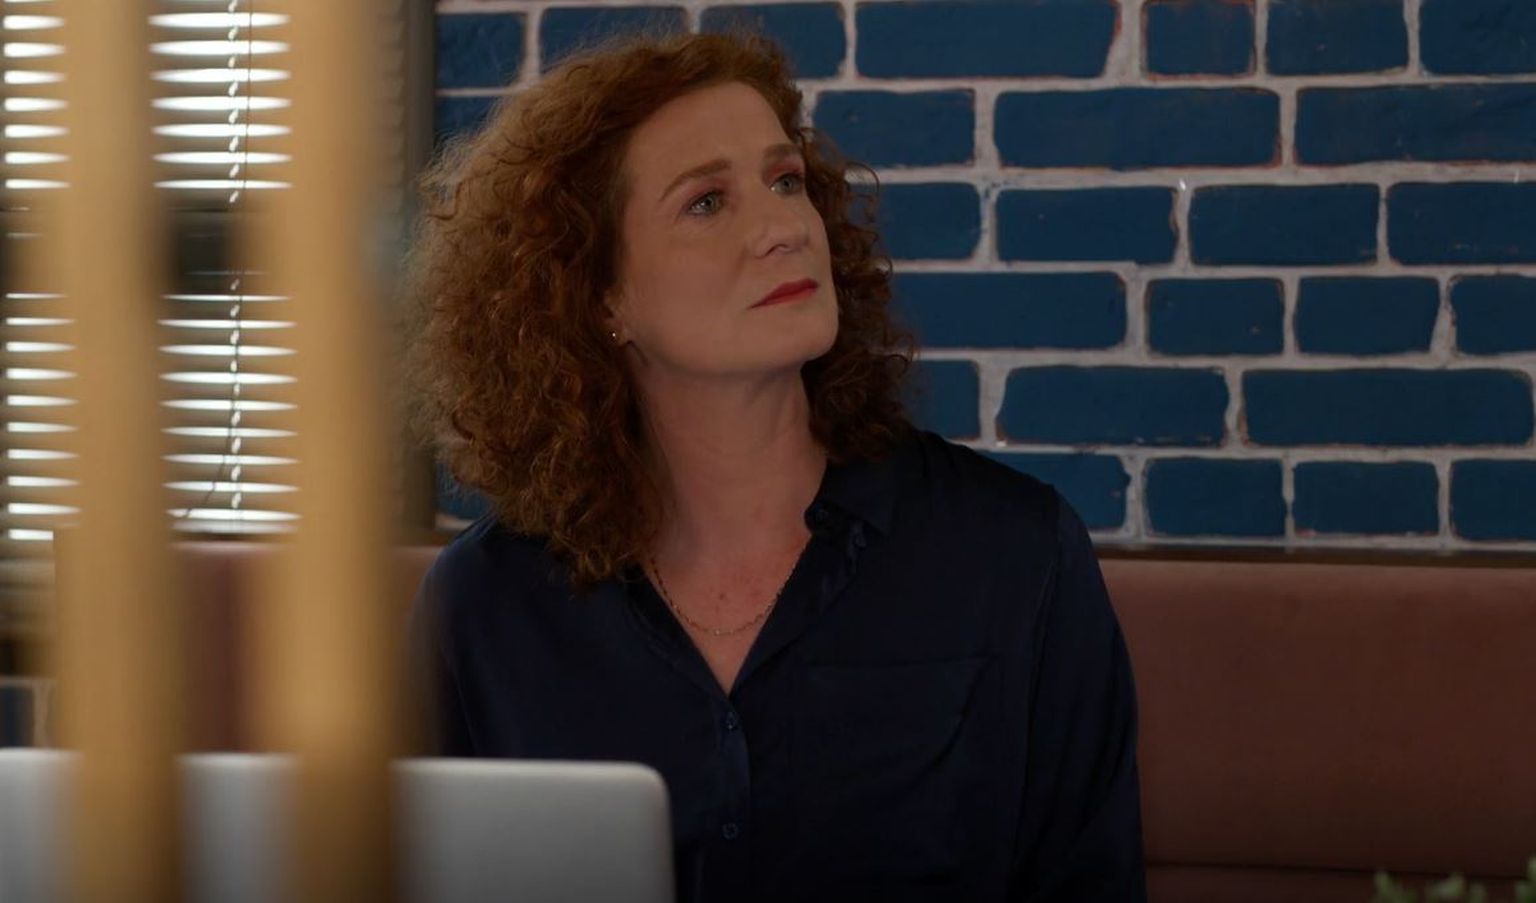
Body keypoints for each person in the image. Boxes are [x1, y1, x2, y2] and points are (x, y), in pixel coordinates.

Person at [403, 28, 1144, 903]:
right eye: (707, 202)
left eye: (786, 182)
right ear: (600, 297)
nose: (782, 228)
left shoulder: (1015, 556)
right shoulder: (486, 604)